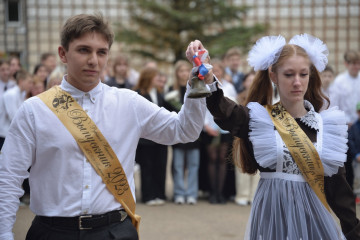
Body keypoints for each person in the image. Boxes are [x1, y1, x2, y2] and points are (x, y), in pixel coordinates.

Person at [0, 14, 213, 240]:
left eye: (101, 52)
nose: (94, 60)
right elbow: (9, 177)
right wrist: (4, 233)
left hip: (115, 231)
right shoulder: (34, 110)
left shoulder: (129, 103)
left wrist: (197, 82)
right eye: (84, 50)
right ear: (63, 53)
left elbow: (185, 130)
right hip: (52, 232)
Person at [189, 34, 360, 239]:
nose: (297, 82)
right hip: (272, 221)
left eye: (303, 74)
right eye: (289, 74)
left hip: (312, 222)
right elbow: (224, 110)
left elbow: (339, 189)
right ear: (273, 76)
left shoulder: (326, 128)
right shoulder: (260, 119)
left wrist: (353, 231)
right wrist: (208, 76)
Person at [166, 60, 201, 205]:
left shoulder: (196, 87)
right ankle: (179, 192)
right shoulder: (170, 90)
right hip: (178, 132)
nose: (184, 73)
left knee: (193, 164)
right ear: (176, 73)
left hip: (194, 132)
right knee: (178, 165)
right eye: (181, 71)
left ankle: (191, 193)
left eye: (187, 70)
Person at [203, 59, 237, 204]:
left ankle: (221, 192)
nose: (216, 73)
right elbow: (202, 108)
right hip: (210, 127)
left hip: (225, 128)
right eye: (213, 70)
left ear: (222, 71)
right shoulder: (204, 87)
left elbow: (234, 106)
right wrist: (206, 126)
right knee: (212, 159)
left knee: (222, 159)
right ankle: (212, 192)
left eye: (218, 70)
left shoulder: (228, 87)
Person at [329, 50, 360, 188]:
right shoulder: (339, 82)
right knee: (348, 162)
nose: (356, 67)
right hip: (346, 126)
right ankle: (349, 189)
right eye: (353, 64)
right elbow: (335, 105)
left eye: (358, 64)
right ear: (346, 64)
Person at [234, 71, 260, 206]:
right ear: (244, 82)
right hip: (241, 135)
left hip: (259, 136)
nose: (251, 82)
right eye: (249, 79)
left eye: (254, 79)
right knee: (242, 165)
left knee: (259, 167)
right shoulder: (238, 98)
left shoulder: (264, 98)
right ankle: (242, 194)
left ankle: (254, 194)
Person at [0, 70, 33, 149]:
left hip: (10, 134)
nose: (31, 85)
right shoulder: (11, 94)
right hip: (4, 134)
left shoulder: (20, 94)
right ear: (21, 81)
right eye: (29, 82)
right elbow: (14, 117)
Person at [349, 102, 360, 204]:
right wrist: (356, 155)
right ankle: (358, 196)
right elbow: (351, 142)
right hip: (357, 160)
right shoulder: (354, 127)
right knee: (357, 178)